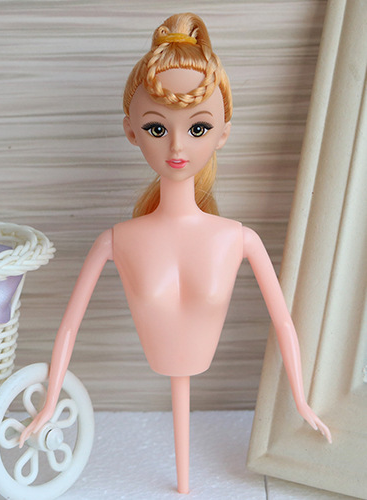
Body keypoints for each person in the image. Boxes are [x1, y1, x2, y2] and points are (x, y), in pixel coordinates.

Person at [20, 12, 331, 494]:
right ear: (131, 131)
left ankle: (185, 480)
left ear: (223, 132)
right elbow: (68, 327)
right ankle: (183, 481)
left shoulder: (239, 239)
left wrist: (301, 400)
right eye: (157, 128)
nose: (178, 146)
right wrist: (48, 402)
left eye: (199, 128)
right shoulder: (116, 240)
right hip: (161, 354)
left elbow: (284, 323)